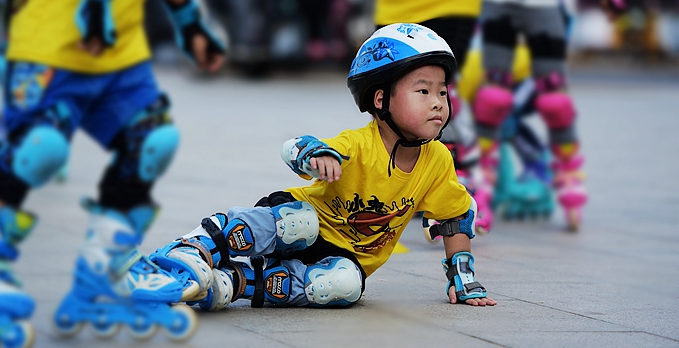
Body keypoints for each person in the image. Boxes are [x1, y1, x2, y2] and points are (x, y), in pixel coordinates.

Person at [0, 0, 226, 348]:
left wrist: (189, 22)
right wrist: (95, 0)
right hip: (51, 42)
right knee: (39, 149)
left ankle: (107, 263)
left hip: (121, 52)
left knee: (154, 139)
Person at [149, 23, 496, 312]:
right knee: (299, 222)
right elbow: (296, 147)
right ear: (380, 100)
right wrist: (317, 156)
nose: (438, 102)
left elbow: (454, 216)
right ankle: (196, 247)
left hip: (342, 256)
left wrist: (463, 278)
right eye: (423, 91)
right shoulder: (359, 144)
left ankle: (232, 283)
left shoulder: (436, 161)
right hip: (299, 224)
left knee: (345, 286)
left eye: (442, 92)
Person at [473, 0, 626, 231]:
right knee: (493, 96)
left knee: (554, 98)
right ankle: (482, 184)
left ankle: (569, 174)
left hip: (543, 1)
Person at [373, 0, 512, 234]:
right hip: (397, 1)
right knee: (391, 99)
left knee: (435, 92)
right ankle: (403, 184)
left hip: (449, 0)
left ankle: (453, 186)